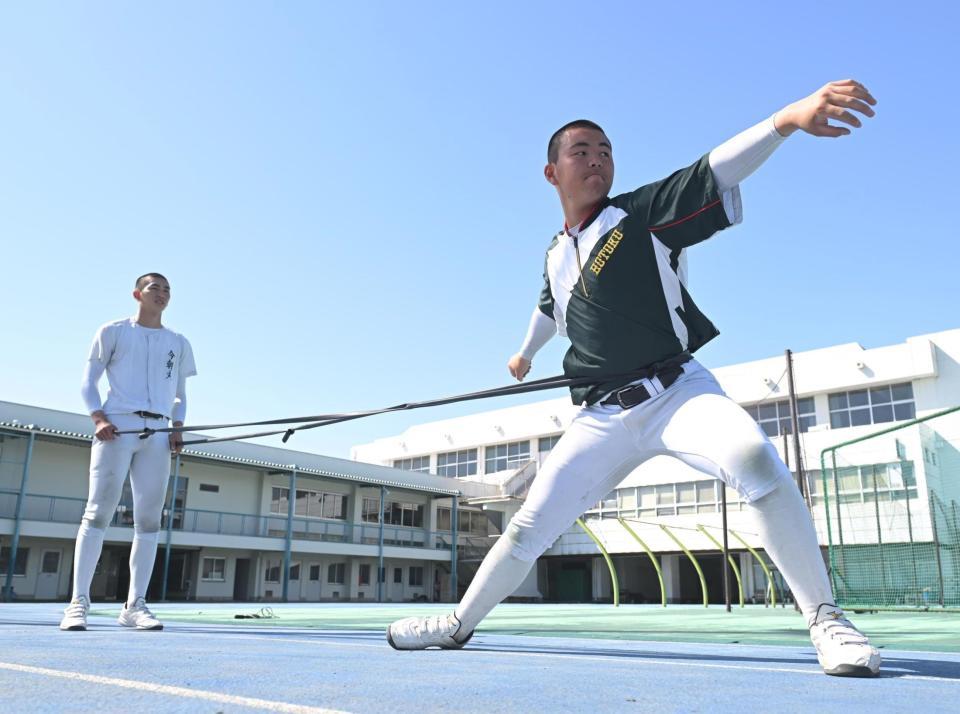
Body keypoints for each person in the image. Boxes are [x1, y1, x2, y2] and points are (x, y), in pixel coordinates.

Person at [387, 80, 882, 677]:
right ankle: (458, 623)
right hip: (601, 416)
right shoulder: (555, 253)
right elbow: (550, 308)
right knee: (527, 527)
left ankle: (827, 619)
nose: (597, 159)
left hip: (676, 390)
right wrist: (523, 356)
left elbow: (714, 170)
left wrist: (786, 119)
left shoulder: (638, 214)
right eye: (582, 151)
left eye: (606, 150)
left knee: (756, 461)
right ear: (551, 174)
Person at [59, 273, 197, 631]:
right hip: (117, 427)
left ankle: (135, 605)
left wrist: (177, 427)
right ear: (138, 293)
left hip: (159, 432)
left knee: (150, 520)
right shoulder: (113, 331)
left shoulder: (178, 342)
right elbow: (88, 381)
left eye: (168, 289)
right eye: (155, 288)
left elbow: (180, 394)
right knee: (97, 513)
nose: (163, 294)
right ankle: (78, 603)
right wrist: (98, 417)